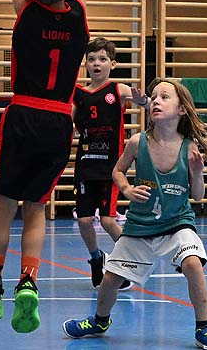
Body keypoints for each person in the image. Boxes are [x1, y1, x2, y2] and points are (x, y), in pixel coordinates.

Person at [0, 0, 104, 334]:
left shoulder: (25, 9)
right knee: (36, 208)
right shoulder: (79, 12)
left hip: (23, 113)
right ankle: (28, 281)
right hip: (59, 119)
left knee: (4, 204)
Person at [63, 78, 207, 350]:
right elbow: (118, 171)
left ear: (181, 110)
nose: (156, 101)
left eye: (164, 97)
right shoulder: (137, 142)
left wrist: (198, 173)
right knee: (110, 279)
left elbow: (198, 196)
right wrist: (126, 189)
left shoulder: (189, 148)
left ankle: (204, 327)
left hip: (177, 223)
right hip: (140, 225)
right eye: (154, 97)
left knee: (192, 264)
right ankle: (99, 321)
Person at [72, 37, 149, 288]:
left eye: (103, 59)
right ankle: (97, 259)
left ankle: (128, 262)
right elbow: (66, 124)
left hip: (111, 169)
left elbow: (146, 103)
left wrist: (143, 101)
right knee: (84, 220)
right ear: (86, 64)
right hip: (85, 166)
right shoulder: (78, 94)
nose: (97, 63)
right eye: (92, 59)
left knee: (107, 220)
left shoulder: (118, 90)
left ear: (112, 64)